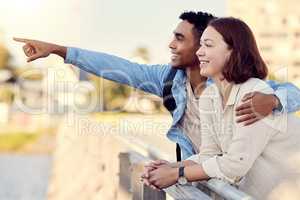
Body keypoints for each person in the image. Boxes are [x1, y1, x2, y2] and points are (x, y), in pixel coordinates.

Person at [14, 11, 300, 161]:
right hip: (201, 179)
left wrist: (273, 102)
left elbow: (292, 92)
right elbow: (120, 69)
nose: (170, 44)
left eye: (179, 38)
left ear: (204, 45)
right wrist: (58, 50)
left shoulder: (236, 81)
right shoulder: (169, 79)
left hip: (241, 183)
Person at [142, 17, 300, 200]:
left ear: (233, 51)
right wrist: (171, 167)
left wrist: (177, 175)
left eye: (208, 45)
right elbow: (209, 154)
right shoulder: (209, 96)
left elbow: (235, 165)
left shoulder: (254, 93)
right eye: (200, 45)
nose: (199, 52)